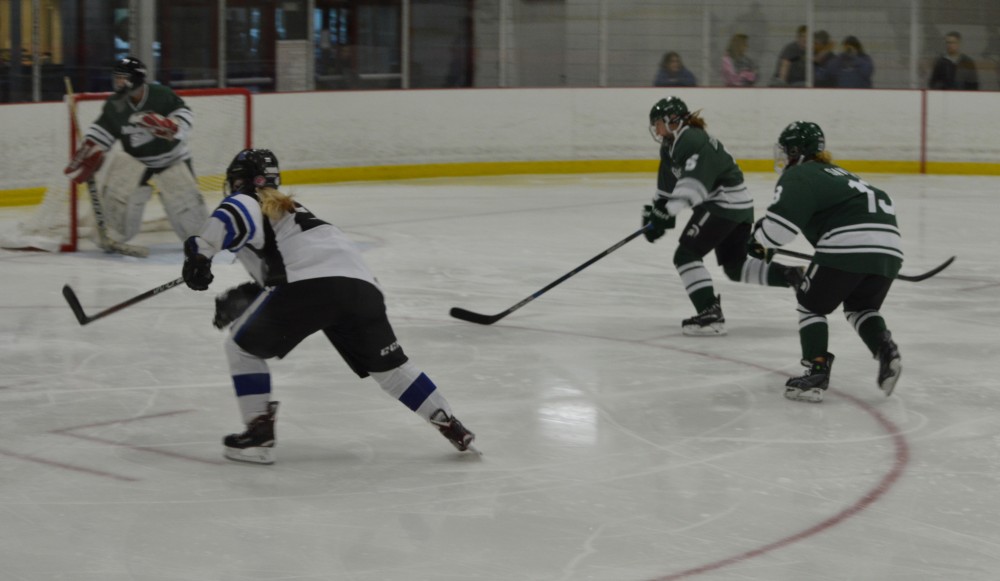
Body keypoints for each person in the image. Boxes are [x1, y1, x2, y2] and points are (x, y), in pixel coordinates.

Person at [179, 149, 477, 464]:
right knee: (390, 369)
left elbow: (231, 214)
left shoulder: (248, 199)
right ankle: (448, 422)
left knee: (241, 349)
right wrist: (248, 294)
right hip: (363, 291)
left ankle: (257, 436)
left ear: (238, 182)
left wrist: (200, 255)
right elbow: (297, 268)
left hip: (311, 288)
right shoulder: (297, 212)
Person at [749, 121, 902, 403]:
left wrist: (758, 240)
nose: (782, 157)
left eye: (785, 150)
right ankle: (886, 351)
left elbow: (778, 232)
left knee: (810, 304)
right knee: (861, 306)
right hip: (890, 247)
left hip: (848, 243)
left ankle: (817, 370)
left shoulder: (800, 174)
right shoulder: (838, 174)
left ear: (797, 151)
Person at [641, 96, 803, 336]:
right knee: (734, 266)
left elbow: (694, 187)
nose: (655, 128)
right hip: (737, 206)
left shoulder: (691, 138)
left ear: (673, 121)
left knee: (686, 255)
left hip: (723, 205)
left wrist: (667, 213)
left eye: (658, 123)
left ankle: (710, 313)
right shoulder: (671, 146)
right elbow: (666, 191)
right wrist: (656, 215)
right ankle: (790, 275)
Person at [63, 56, 208, 244]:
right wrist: (91, 149)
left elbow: (185, 113)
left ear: (136, 78)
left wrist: (172, 125)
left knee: (186, 204)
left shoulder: (160, 94)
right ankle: (112, 237)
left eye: (122, 78)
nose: (118, 82)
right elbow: (103, 130)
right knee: (118, 196)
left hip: (172, 158)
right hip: (137, 161)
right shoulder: (115, 104)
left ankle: (202, 238)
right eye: (116, 78)